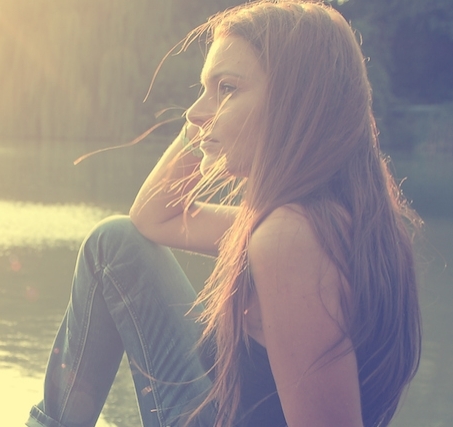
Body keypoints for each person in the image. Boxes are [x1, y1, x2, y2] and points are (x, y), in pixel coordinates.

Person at [25, 1, 422, 426]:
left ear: (296, 100)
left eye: (227, 89)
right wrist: (210, 120)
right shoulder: (335, 218)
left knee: (110, 244)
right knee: (114, 243)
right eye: (203, 89)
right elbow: (151, 217)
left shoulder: (291, 239)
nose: (194, 114)